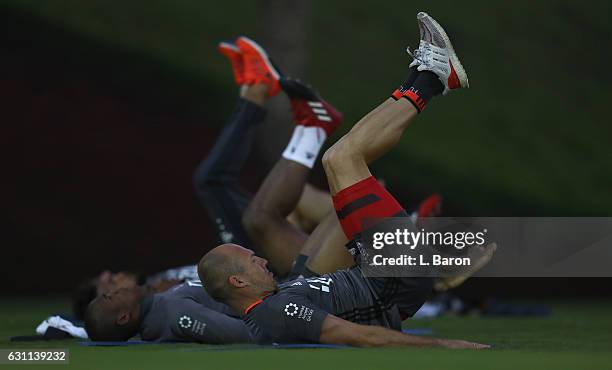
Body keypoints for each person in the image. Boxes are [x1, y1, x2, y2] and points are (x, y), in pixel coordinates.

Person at [198, 12, 490, 349]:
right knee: (339, 159)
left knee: (341, 163)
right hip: (393, 281)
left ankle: (427, 76)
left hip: (380, 274)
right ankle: (432, 77)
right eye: (253, 262)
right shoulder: (272, 313)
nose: (263, 260)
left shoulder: (277, 299)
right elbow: (357, 335)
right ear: (237, 281)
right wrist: (446, 346)